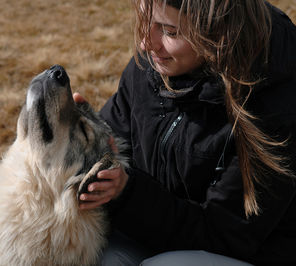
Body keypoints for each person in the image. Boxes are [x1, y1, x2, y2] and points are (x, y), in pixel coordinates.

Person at [74, 0, 296, 265]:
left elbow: (225, 237)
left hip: (242, 253)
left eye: (170, 31)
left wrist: (127, 192)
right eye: (145, 21)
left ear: (219, 31)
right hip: (162, 232)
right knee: (97, 255)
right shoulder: (152, 65)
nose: (146, 44)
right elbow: (117, 138)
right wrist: (86, 137)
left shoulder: (275, 107)